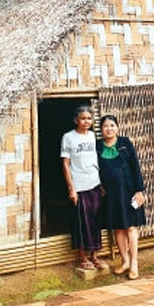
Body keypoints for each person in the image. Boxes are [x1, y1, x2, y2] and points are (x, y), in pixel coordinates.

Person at [97, 115, 146, 280]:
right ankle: (124, 261)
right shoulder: (98, 147)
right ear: (101, 129)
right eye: (105, 126)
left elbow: (135, 167)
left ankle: (134, 264)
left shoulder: (125, 143)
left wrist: (139, 190)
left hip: (128, 191)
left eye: (112, 125)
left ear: (117, 128)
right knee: (118, 227)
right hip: (110, 194)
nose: (109, 129)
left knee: (131, 227)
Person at [60, 106, 107, 270]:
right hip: (79, 185)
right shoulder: (68, 137)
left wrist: (101, 183)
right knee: (81, 221)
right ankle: (82, 257)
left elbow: (97, 160)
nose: (86, 121)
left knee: (95, 220)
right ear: (76, 120)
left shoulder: (93, 136)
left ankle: (94, 256)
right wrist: (71, 188)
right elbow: (66, 164)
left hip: (94, 183)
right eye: (83, 118)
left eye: (89, 118)